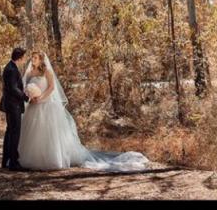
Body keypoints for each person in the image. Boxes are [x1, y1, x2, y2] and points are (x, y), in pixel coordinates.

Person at [17, 50, 150, 172]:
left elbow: (51, 88)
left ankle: (51, 159)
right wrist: (30, 96)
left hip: (47, 105)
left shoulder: (47, 72)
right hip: (34, 106)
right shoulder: (30, 73)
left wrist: (40, 98)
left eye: (35, 58)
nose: (33, 60)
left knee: (49, 134)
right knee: (34, 133)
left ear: (41, 59)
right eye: (32, 58)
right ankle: (33, 158)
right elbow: (24, 88)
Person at [0, 47, 30, 171]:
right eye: (24, 57)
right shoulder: (11, 69)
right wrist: (25, 97)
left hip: (10, 104)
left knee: (9, 133)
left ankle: (6, 160)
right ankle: (13, 163)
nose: (24, 60)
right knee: (14, 133)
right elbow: (13, 88)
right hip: (13, 105)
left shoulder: (10, 67)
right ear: (20, 58)